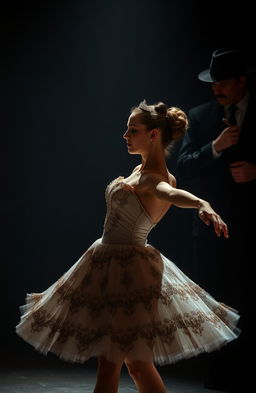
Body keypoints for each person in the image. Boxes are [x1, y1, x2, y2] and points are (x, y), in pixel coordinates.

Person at [16, 99, 240, 393]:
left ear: (153, 135)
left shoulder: (154, 180)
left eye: (132, 130)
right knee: (136, 364)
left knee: (113, 364)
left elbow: (171, 192)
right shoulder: (138, 171)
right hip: (106, 263)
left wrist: (201, 203)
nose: (125, 136)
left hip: (128, 273)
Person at [177, 48, 256, 391]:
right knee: (215, 301)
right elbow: (183, 166)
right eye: (214, 83)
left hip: (253, 227)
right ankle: (218, 376)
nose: (216, 90)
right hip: (211, 229)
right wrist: (215, 147)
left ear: (241, 81)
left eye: (223, 82)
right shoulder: (200, 115)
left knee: (250, 298)